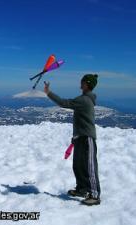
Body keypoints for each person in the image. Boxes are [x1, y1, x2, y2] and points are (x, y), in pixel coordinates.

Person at [44, 74, 101, 206]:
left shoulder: (85, 100)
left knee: (90, 167)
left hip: (87, 138)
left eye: (82, 81)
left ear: (86, 84)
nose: (80, 83)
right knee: (78, 165)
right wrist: (75, 137)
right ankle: (82, 189)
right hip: (80, 137)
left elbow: (64, 103)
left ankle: (95, 195)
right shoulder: (85, 99)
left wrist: (49, 93)